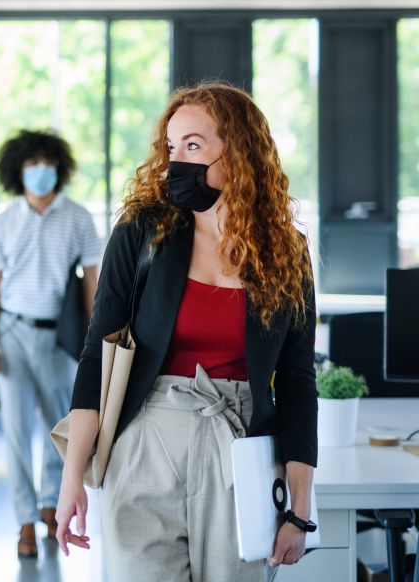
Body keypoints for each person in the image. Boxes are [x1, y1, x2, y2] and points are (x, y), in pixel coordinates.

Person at [55, 83, 318, 581]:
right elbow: (97, 359)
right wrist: (71, 482)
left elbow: (299, 382)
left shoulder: (286, 251)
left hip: (241, 452)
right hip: (145, 442)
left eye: (193, 146)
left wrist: (300, 509)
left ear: (237, 152)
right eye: (172, 148)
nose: (177, 162)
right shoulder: (142, 231)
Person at [0, 129, 102, 558]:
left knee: (60, 428)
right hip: (12, 334)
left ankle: (52, 504)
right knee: (15, 432)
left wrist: (95, 341)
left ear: (59, 168)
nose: (39, 172)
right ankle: (24, 521)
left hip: (60, 338)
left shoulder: (78, 218)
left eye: (46, 163)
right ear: (18, 171)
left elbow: (93, 281)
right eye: (30, 164)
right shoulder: (3, 220)